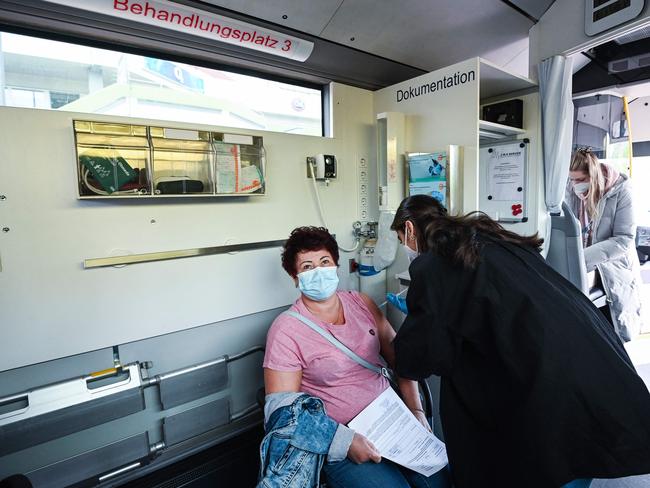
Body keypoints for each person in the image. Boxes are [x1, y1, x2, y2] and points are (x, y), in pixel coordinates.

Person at [390, 194, 650, 488]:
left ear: (410, 229)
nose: (406, 249)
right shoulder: (488, 238)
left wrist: (413, 329)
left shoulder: (434, 265)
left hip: (546, 381)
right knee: (579, 457)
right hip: (589, 353)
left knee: (549, 461)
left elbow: (423, 357)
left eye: (401, 239)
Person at [263, 226, 451, 488]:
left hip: (394, 423)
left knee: (441, 482)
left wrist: (416, 411)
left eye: (324, 262)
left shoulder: (361, 303)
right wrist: (343, 441)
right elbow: (281, 412)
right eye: (307, 266)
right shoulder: (286, 330)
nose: (318, 271)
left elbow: (402, 359)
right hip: (342, 437)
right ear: (295, 277)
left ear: (336, 265)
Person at [566, 147, 644, 341]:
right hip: (587, 268)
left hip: (614, 271)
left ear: (594, 176)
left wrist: (579, 258)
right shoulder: (572, 191)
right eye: (572, 180)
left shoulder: (622, 191)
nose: (576, 185)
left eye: (581, 180)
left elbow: (623, 239)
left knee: (612, 334)